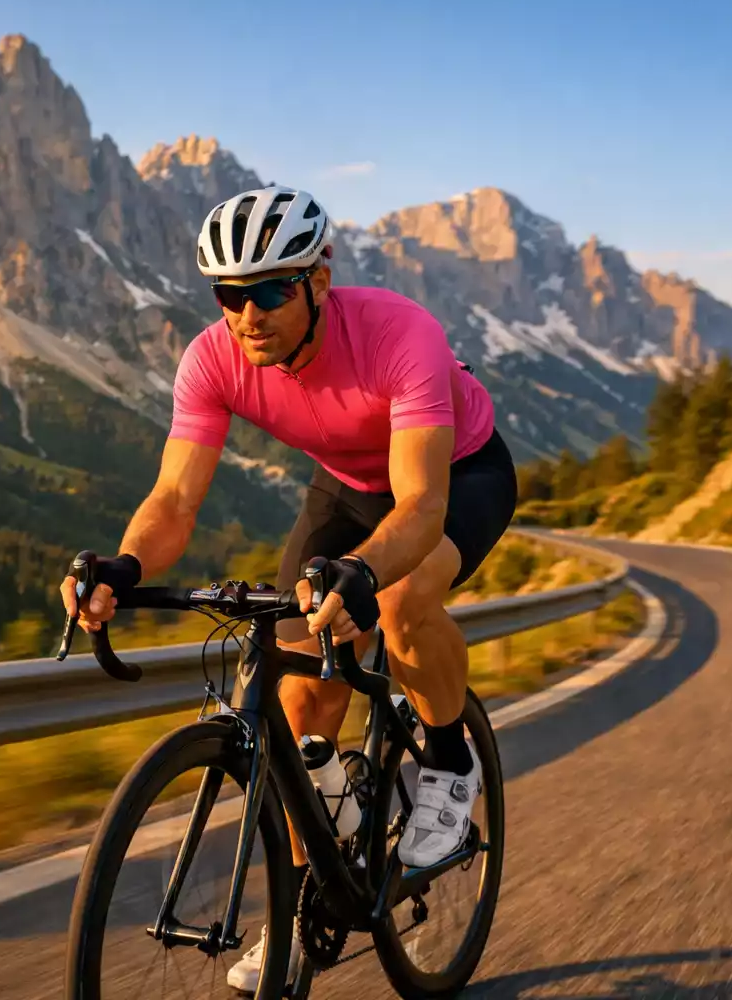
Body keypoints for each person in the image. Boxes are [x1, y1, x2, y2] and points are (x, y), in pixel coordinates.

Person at [58, 184, 518, 991]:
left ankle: (449, 766)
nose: (248, 314)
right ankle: (302, 910)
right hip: (345, 488)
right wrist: (124, 567)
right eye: (230, 295)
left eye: (270, 290)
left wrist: (367, 573)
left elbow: (419, 507)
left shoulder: (398, 333)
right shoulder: (212, 359)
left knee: (405, 605)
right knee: (297, 696)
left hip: (456, 475)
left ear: (319, 279)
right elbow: (172, 502)